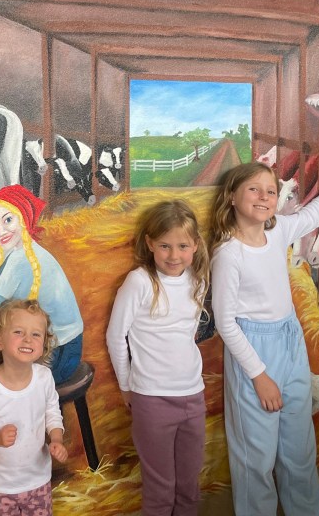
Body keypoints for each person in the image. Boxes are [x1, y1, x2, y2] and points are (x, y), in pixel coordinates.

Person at [209, 161, 319, 516]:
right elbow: (226, 323)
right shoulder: (229, 253)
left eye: (271, 191)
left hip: (290, 342)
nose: (264, 196)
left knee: (299, 452)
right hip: (254, 351)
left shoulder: (277, 231)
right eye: (254, 189)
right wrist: (259, 376)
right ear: (232, 196)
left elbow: (311, 215)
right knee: (255, 459)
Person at [106, 199, 211, 516]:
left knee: (189, 488)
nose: (174, 255)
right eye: (165, 246)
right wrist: (126, 386)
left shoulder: (198, 280)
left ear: (195, 245)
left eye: (182, 246)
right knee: (160, 491)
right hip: (152, 399)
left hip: (193, 396)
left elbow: (188, 333)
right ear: (150, 243)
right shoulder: (139, 281)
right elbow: (116, 336)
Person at [0, 299, 69, 516]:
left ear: (44, 343)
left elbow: (52, 412)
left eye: (36, 334)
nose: (28, 339)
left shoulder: (44, 378)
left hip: (38, 479)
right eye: (18, 331)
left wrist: (56, 439)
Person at [0, 184, 84, 384]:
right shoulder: (27, 252)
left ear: (23, 217)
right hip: (67, 347)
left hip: (57, 355)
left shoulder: (20, 261)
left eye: (8, 220)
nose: (2, 231)